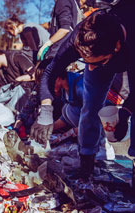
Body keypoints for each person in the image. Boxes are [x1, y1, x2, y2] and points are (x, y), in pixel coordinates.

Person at [32, 1, 135, 181]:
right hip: (108, 46)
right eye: (88, 62)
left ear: (116, 47)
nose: (91, 69)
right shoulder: (79, 38)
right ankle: (86, 162)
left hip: (129, 43)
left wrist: (125, 114)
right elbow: (50, 71)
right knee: (91, 105)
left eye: (97, 62)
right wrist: (46, 110)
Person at [0, 45, 38, 112]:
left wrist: (20, 79)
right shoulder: (0, 70)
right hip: (14, 99)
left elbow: (36, 75)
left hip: (28, 95)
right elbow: (0, 90)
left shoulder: (17, 57)